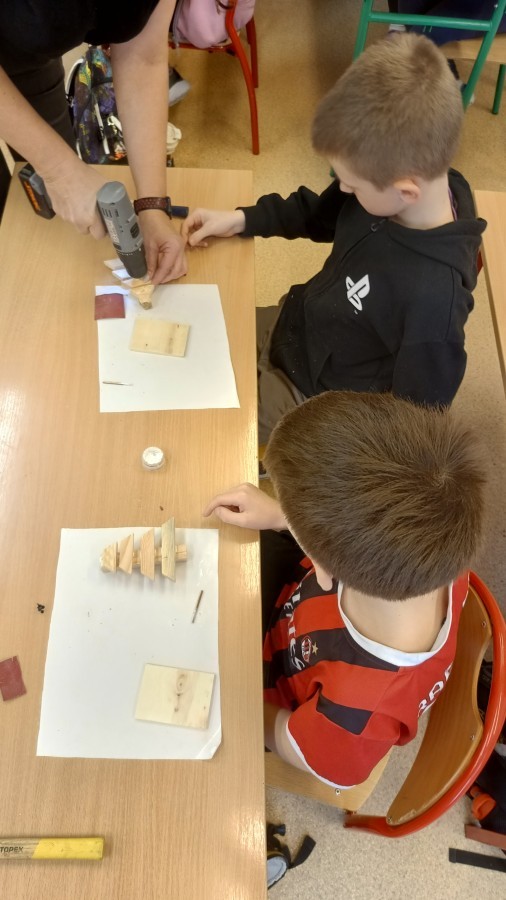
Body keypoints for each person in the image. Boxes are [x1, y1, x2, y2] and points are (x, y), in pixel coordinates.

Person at [182, 34, 486, 443]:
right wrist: (241, 219)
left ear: (406, 190)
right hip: (296, 324)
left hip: (313, 401)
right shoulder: (391, 186)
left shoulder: (434, 305)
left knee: (203, 424)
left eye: (351, 185)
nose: (343, 190)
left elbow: (416, 427)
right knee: (198, 337)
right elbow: (316, 214)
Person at [204, 390, 486, 788]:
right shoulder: (437, 546)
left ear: (325, 569)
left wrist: (237, 702)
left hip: (267, 696)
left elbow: (294, 744)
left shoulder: (356, 721)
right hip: (291, 613)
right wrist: (283, 516)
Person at [0, 0, 187, 284]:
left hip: (28, 55)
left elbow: (143, 57)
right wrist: (59, 171)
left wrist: (152, 206)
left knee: (55, 223)